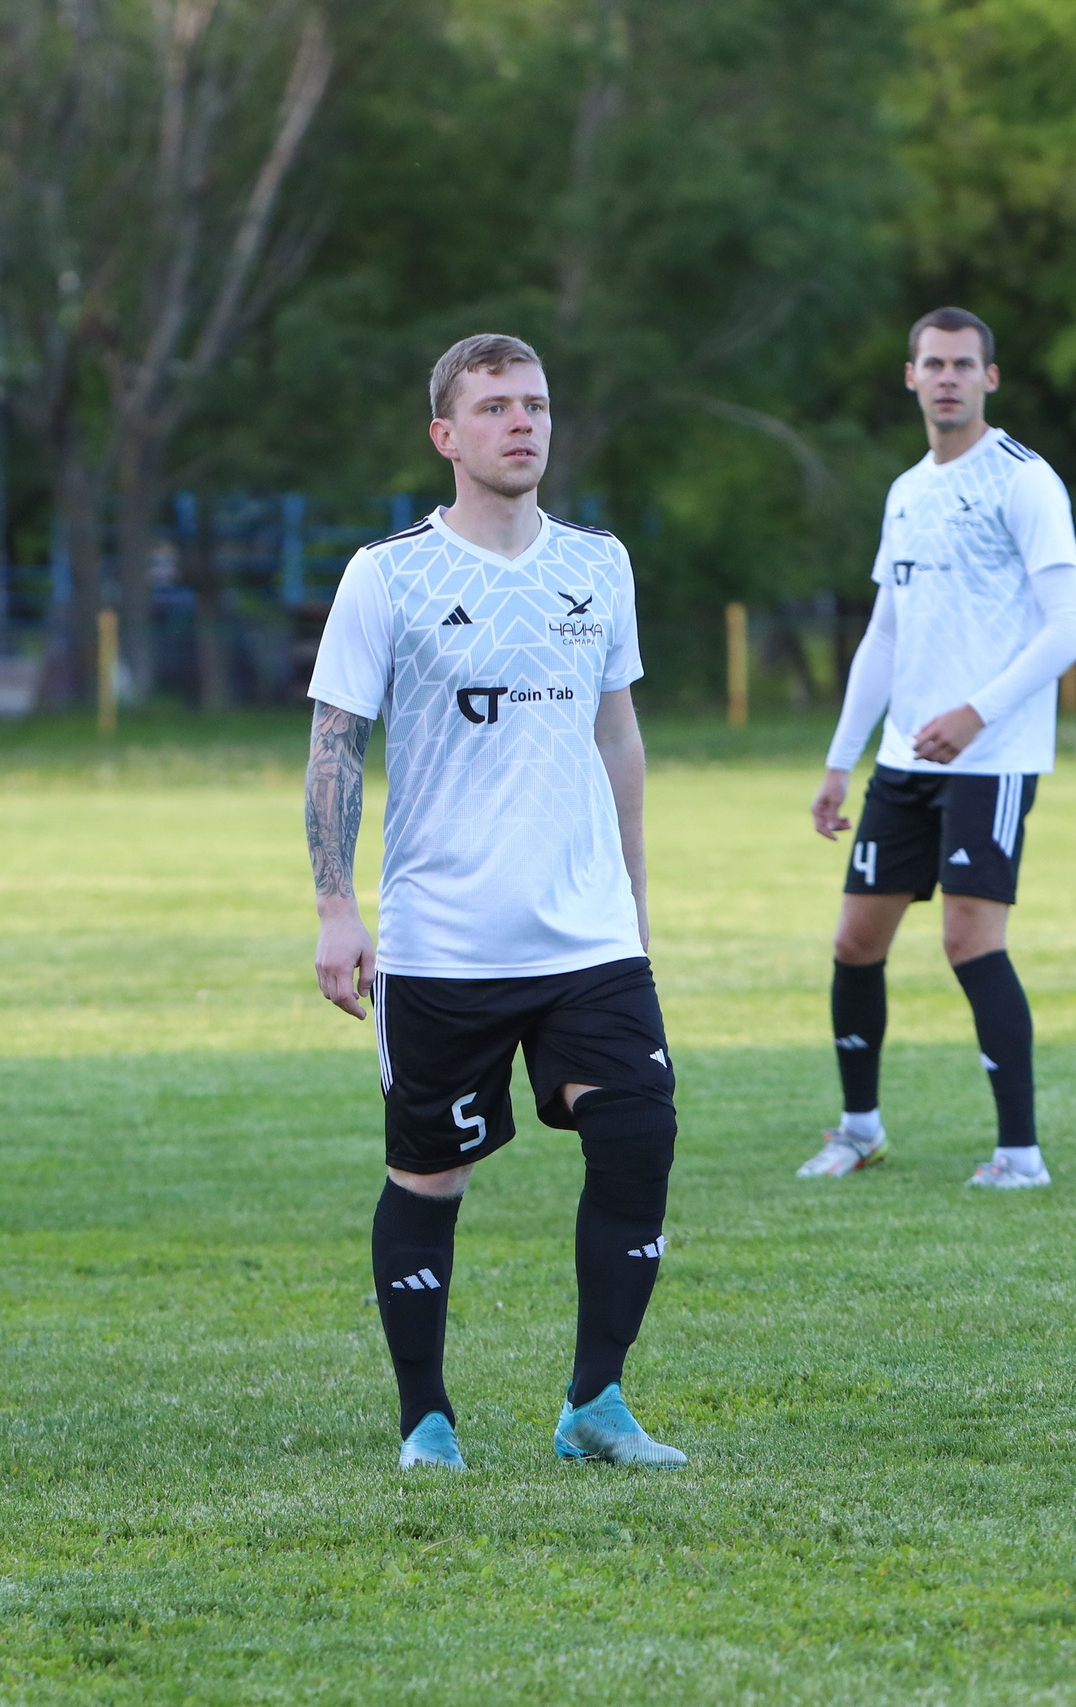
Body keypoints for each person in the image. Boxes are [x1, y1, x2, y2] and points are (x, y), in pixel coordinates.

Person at [304, 333, 684, 1473]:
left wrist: (633, 897)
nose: (522, 423)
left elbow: (618, 736)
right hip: (444, 943)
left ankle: (596, 1405)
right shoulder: (389, 574)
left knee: (639, 1136)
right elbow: (334, 746)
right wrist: (335, 906)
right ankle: (426, 1419)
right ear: (445, 435)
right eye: (495, 407)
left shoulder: (598, 565)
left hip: (586, 935)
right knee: (430, 1175)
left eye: (535, 405)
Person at [799, 307, 1076, 1189]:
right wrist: (842, 758)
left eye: (966, 363)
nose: (950, 377)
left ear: (991, 379)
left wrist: (976, 711)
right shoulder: (906, 490)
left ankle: (1020, 1153)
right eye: (935, 363)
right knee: (855, 941)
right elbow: (884, 635)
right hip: (903, 762)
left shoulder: (1025, 482)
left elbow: (1069, 628)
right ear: (911, 375)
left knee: (970, 940)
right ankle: (858, 1130)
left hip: (991, 756)